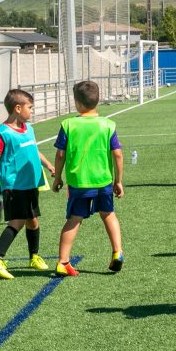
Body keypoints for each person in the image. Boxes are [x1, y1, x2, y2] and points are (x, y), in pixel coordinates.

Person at [51, 81, 125, 277]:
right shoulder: (108, 125)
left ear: (77, 103)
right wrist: (118, 180)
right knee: (108, 214)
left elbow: (60, 155)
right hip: (103, 181)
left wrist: (57, 177)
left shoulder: (68, 124)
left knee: (74, 219)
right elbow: (117, 154)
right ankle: (117, 252)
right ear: (97, 100)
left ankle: (62, 261)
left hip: (79, 182)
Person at [0, 89, 57, 280]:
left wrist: (48, 165)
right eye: (29, 107)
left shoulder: (28, 129)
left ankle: (34, 256)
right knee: (17, 221)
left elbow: (34, 150)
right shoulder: (3, 133)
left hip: (31, 184)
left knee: (32, 220)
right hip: (15, 187)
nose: (31, 111)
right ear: (18, 108)